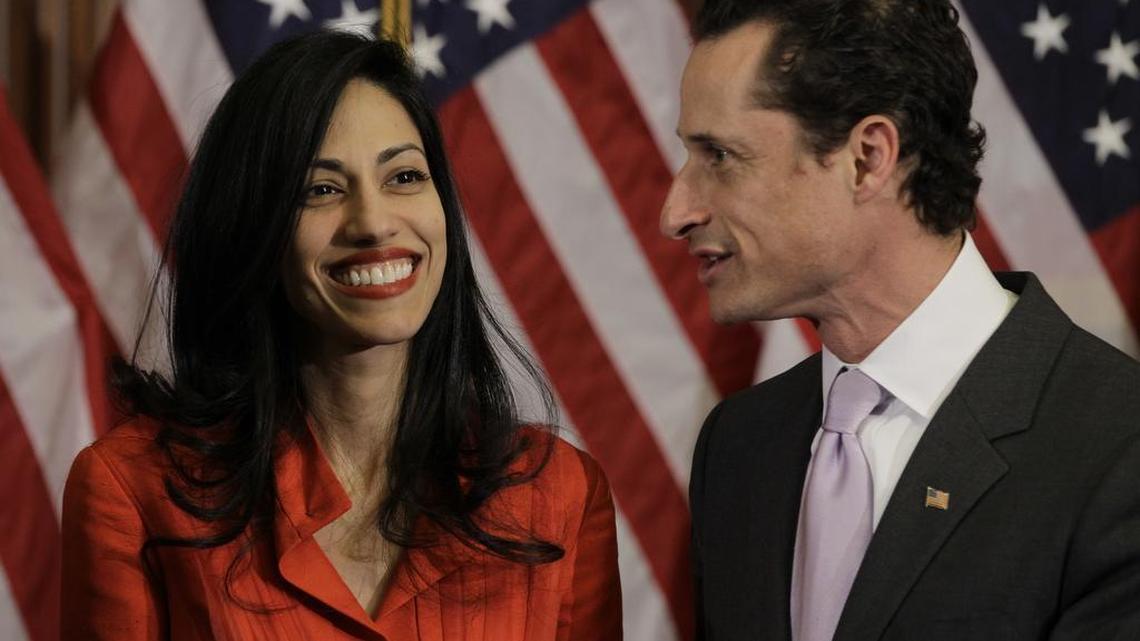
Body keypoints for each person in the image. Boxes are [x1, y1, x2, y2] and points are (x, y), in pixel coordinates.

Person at [62, 31, 621, 641]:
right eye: (321, 189)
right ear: (253, 230)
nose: (374, 222)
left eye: (405, 176)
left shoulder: (561, 493)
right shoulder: (131, 491)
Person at [661, 1, 1140, 640]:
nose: (677, 211)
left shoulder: (1118, 451)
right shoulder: (739, 446)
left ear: (868, 158)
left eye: (718, 155)